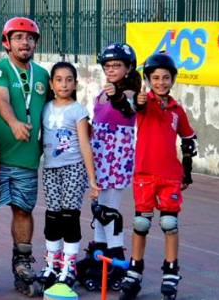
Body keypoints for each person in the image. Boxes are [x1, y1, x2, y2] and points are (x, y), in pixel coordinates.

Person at [0, 17, 49, 296]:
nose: (25, 42)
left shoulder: (43, 75)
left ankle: (23, 265)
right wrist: (15, 122)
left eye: (30, 38)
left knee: (23, 211)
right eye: (18, 37)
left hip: (27, 160)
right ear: (7, 42)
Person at [119, 53, 196, 300]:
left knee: (169, 224)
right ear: (148, 80)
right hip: (144, 173)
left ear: (172, 79)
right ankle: (134, 273)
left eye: (165, 77)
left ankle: (171, 272)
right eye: (155, 78)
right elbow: (133, 106)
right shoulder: (145, 102)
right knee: (141, 224)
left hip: (170, 175)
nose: (161, 82)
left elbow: (188, 138)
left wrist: (187, 168)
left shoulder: (177, 110)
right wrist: (138, 99)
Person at [76, 43, 139, 292]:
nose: (111, 70)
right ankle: (98, 257)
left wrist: (117, 95)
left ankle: (117, 265)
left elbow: (128, 109)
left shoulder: (131, 93)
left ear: (128, 68)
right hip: (99, 157)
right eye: (108, 65)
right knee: (99, 210)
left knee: (110, 211)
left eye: (117, 66)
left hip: (117, 158)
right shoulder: (101, 93)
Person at [37, 62, 100, 291]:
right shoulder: (45, 108)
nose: (64, 84)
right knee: (52, 216)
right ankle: (52, 264)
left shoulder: (78, 110)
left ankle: (69, 267)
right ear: (52, 84)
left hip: (73, 168)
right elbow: (41, 140)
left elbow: (85, 145)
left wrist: (91, 179)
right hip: (51, 169)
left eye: (69, 79)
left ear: (75, 83)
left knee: (69, 217)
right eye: (59, 79)